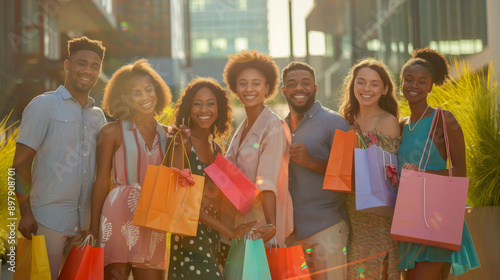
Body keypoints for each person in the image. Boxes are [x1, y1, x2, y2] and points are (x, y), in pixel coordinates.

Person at [13, 36, 106, 279]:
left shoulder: (98, 117)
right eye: (81, 63)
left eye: (94, 66)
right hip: (47, 221)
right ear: (67, 65)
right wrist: (25, 213)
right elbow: (20, 164)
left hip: (85, 226)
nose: (88, 71)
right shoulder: (44, 105)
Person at [86, 59, 179, 279]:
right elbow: (101, 181)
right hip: (117, 215)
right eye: (136, 93)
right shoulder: (111, 132)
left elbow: (177, 178)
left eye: (149, 89)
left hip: (153, 218)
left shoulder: (169, 135)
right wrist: (93, 228)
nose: (146, 97)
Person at [398, 47, 480, 279]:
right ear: (400, 81)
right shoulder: (401, 124)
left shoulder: (443, 119)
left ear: (431, 86)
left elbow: (461, 173)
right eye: (409, 79)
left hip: (435, 217)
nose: (414, 85)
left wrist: (420, 174)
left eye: (422, 81)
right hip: (408, 217)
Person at [167, 77, 256, 279]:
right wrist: (230, 231)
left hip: (212, 236)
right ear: (189, 108)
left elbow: (220, 198)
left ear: (219, 108)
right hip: (188, 237)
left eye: (210, 104)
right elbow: (183, 202)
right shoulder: (182, 141)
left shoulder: (216, 148)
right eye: (197, 104)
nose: (204, 110)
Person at [219, 50, 294, 264]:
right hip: (238, 222)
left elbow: (267, 181)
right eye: (243, 83)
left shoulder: (272, 125)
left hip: (261, 225)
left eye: (256, 83)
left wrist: (271, 225)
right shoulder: (242, 127)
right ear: (235, 88)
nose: (249, 89)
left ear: (267, 88)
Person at [281, 61, 350, 280]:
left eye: (305, 83)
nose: (299, 88)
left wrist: (311, 161)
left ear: (315, 88)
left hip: (327, 230)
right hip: (291, 234)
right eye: (292, 84)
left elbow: (349, 176)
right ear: (284, 91)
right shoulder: (279, 127)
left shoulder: (335, 123)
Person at [338, 58, 401, 279]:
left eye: (374, 84)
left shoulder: (387, 121)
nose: (366, 88)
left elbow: (391, 176)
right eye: (361, 82)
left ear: (384, 89)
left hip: (378, 215)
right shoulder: (345, 120)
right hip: (350, 214)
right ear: (353, 85)